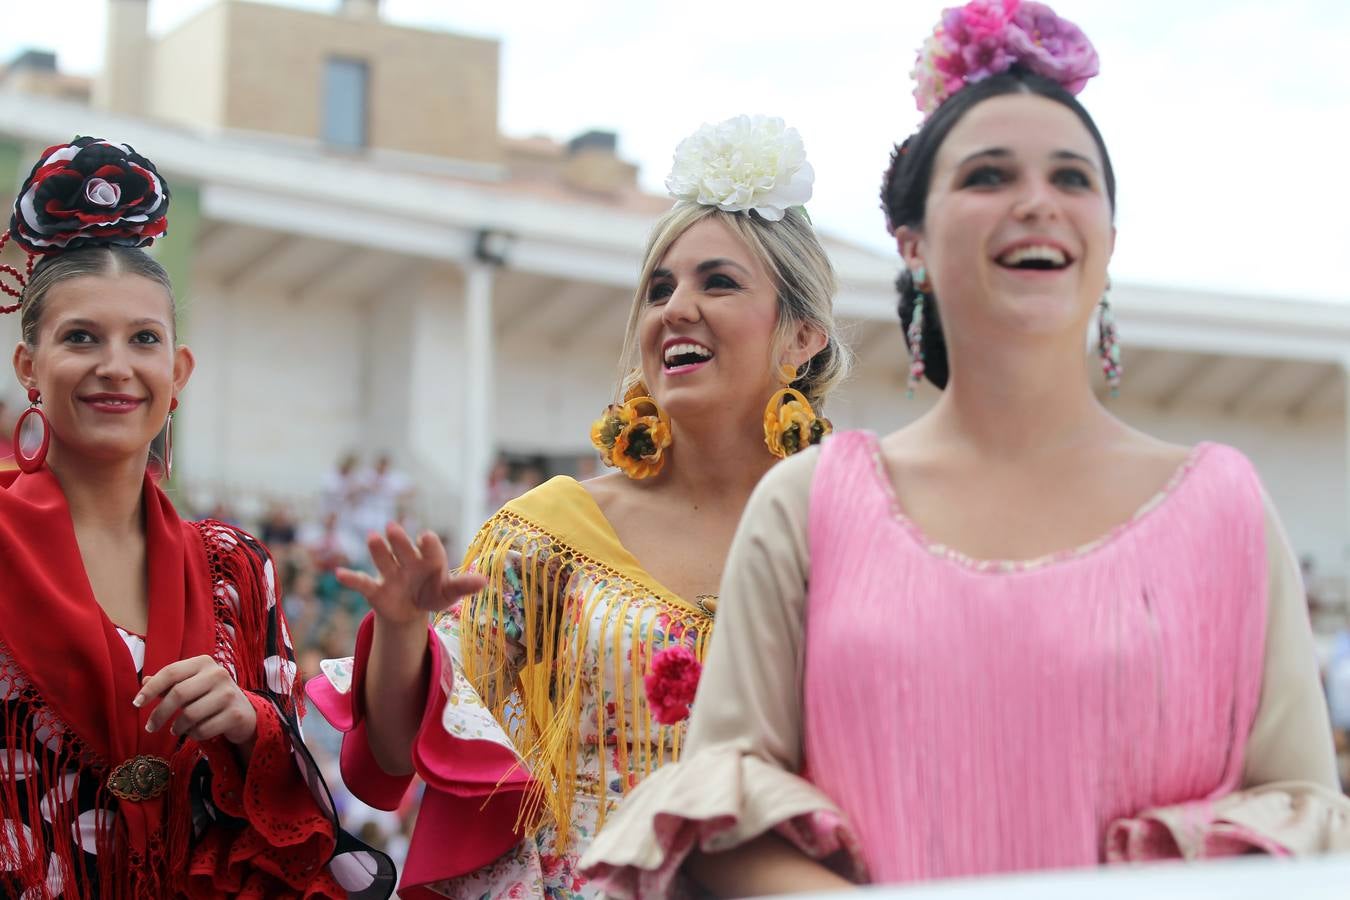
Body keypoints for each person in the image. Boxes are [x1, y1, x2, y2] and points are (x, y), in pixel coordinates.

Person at [579, 4, 1350, 896]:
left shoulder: (1226, 506)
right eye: (988, 175)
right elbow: (716, 814)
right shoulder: (807, 505)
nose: (1036, 201)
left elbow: (1304, 811)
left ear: (1107, 237)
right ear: (911, 241)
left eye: (1072, 178)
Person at [307, 115, 851, 897]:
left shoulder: (856, 533)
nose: (676, 309)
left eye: (718, 282)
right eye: (659, 288)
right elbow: (393, 756)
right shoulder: (552, 535)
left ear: (802, 336)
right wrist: (400, 630)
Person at [0, 137, 395, 898]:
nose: (116, 364)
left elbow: (299, 808)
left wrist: (248, 724)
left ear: (177, 373)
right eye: (81, 336)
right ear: (29, 368)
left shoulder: (234, 567)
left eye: (143, 339)